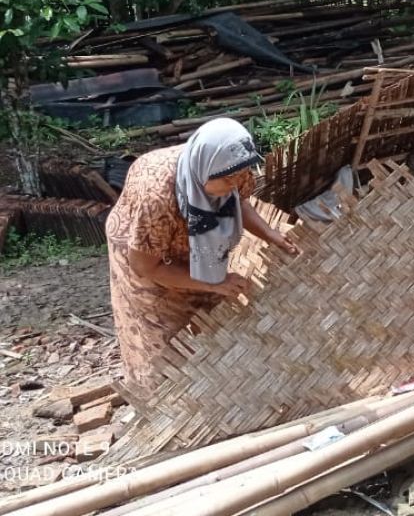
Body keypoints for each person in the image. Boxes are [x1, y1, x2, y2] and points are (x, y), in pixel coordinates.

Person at [105, 117, 298, 399]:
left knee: (208, 320)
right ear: (203, 170)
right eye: (226, 180)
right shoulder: (156, 198)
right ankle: (160, 407)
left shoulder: (229, 167)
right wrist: (212, 283)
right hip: (144, 250)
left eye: (238, 177)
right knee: (160, 338)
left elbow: (239, 201)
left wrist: (270, 234)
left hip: (193, 245)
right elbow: (146, 266)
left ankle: (213, 394)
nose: (234, 184)